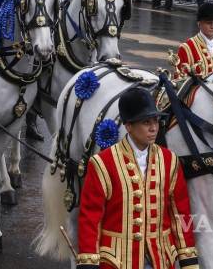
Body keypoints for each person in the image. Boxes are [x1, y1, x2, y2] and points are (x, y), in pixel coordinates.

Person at [76, 87, 199, 269]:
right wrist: (89, 262)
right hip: (117, 261)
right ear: (129, 126)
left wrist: (188, 260)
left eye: (156, 121)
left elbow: (180, 214)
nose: (153, 128)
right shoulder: (103, 163)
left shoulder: (169, 160)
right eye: (146, 122)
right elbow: (90, 218)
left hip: (160, 259)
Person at [170, 3, 213, 83]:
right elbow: (179, 83)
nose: (212, 26)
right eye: (208, 23)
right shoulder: (187, 48)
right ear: (199, 23)